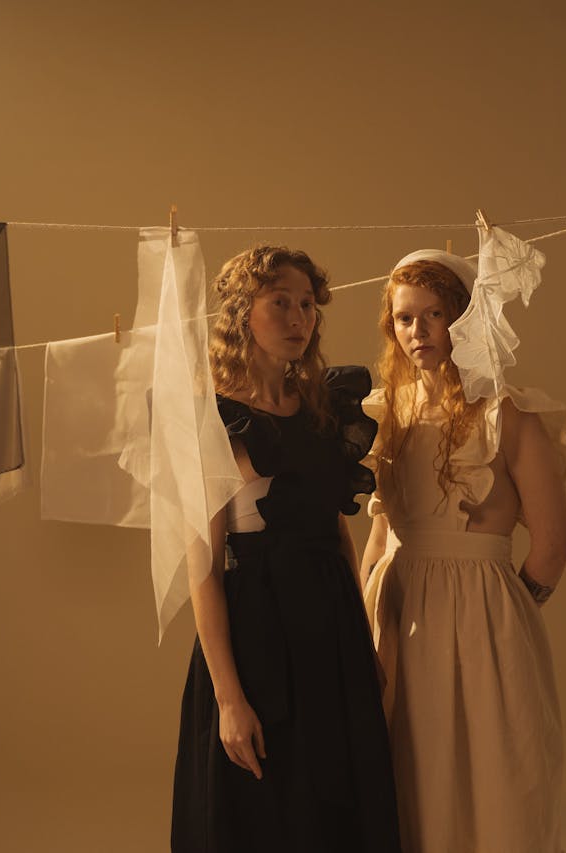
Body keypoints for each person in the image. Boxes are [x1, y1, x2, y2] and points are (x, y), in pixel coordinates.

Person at [171, 246, 402, 853]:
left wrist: (361, 638)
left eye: (307, 305)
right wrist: (228, 698)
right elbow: (202, 568)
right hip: (256, 631)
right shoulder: (216, 418)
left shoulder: (329, 406)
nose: (300, 317)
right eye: (281, 303)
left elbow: (338, 534)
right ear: (243, 313)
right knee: (267, 807)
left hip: (330, 627)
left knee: (338, 803)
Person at [360, 248, 566, 853]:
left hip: (482, 613)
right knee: (410, 769)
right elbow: (378, 536)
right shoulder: (388, 415)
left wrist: (511, 613)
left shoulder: (508, 415)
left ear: (464, 320)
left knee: (495, 771)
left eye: (435, 315)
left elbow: (553, 544)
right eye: (404, 318)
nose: (418, 331)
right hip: (398, 612)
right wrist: (364, 618)